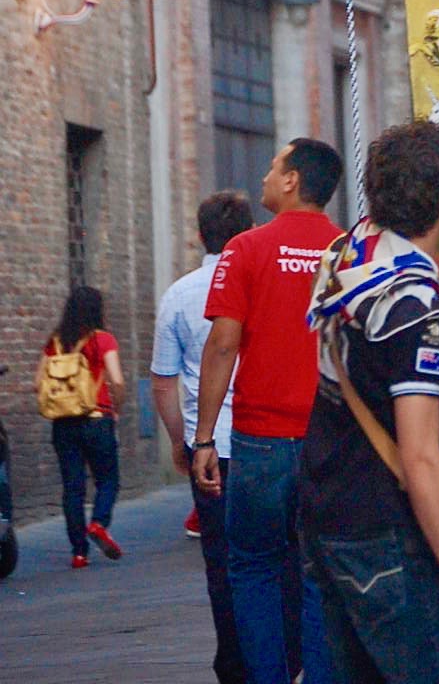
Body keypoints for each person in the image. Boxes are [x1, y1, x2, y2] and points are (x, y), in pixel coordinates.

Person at [299, 120, 439, 681]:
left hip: (326, 507)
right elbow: (420, 456)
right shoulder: (413, 304)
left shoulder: (347, 253)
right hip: (382, 529)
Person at [192, 139, 343, 684]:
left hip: (259, 443)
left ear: (293, 181)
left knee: (252, 567)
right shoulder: (348, 252)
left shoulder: (246, 248)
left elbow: (224, 344)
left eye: (273, 166)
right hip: (330, 443)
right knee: (319, 573)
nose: (263, 174)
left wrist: (204, 438)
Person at [151, 189, 255, 684]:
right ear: (249, 231)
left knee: (222, 561)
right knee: (281, 555)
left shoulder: (179, 295)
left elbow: (164, 381)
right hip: (269, 441)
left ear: (199, 235)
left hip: (210, 449)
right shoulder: (265, 283)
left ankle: (233, 665)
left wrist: (181, 440)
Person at [37, 285, 126, 569]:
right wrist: (117, 408)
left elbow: (37, 383)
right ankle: (99, 523)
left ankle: (79, 552)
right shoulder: (103, 340)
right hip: (97, 419)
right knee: (108, 480)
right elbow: (117, 380)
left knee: (72, 488)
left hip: (63, 424)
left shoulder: (55, 341)